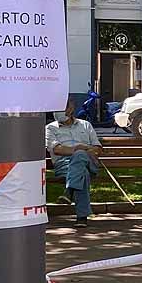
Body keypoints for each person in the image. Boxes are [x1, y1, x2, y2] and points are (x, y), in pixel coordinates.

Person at [46, 97, 103, 227]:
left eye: (61, 109)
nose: (57, 113)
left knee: (80, 156)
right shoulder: (50, 129)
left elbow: (98, 148)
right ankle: (81, 217)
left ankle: (69, 191)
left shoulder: (85, 125)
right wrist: (79, 148)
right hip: (64, 164)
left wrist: (86, 150)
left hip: (89, 163)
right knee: (82, 172)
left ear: (71, 110)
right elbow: (58, 150)